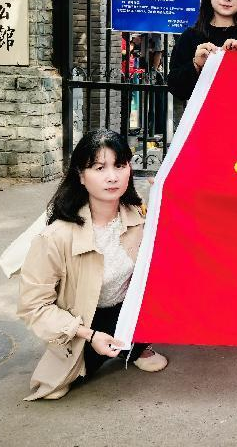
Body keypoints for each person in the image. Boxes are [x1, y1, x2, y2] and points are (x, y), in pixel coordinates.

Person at [18, 129, 168, 400]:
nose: (112, 177)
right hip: (85, 322)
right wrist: (88, 335)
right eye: (100, 168)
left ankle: (138, 344)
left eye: (119, 165)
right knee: (57, 387)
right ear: (80, 175)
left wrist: (167, 201)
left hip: (126, 310)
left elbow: (174, 255)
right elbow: (33, 306)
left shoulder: (139, 214)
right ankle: (94, 346)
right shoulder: (56, 236)